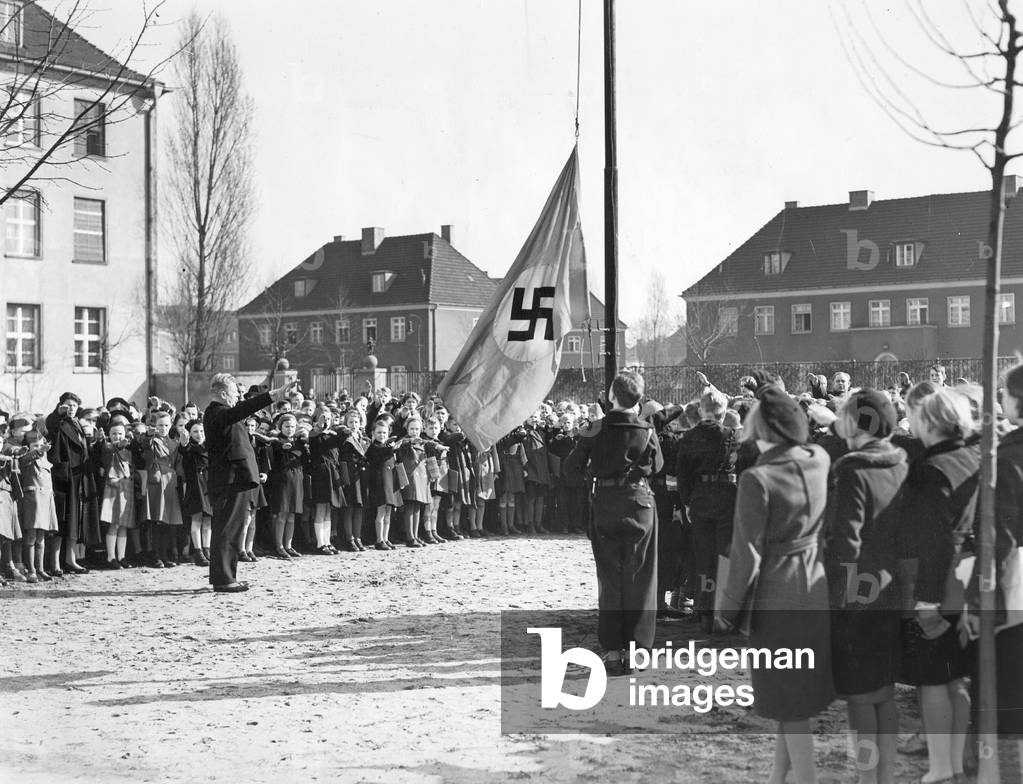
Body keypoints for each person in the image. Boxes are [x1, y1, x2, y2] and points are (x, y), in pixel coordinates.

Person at [716, 385, 834, 784]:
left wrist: (727, 608)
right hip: (814, 584)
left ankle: (803, 778)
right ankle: (778, 776)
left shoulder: (757, 478)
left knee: (788, 701)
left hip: (777, 591)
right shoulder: (819, 458)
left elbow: (745, 553)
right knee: (792, 697)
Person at [896, 385, 979, 784]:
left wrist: (926, 600)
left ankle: (943, 765)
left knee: (933, 678)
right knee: (959, 676)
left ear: (930, 422)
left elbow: (936, 540)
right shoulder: (976, 456)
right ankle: (960, 757)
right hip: (970, 575)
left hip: (942, 580)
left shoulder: (932, 470)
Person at [824, 390, 908, 784]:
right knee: (885, 692)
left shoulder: (852, 469)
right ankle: (885, 776)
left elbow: (847, 540)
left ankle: (865, 775)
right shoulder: (901, 461)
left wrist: (838, 595)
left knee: (859, 695)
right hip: (891, 587)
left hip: (858, 592)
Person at [564, 370, 663, 675]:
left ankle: (611, 652)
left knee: (609, 580)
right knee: (641, 580)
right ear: (639, 398)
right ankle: (638, 651)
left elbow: (570, 468)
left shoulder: (594, 428)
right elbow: (657, 466)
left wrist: (596, 474)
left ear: (611, 396)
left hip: (606, 504)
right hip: (639, 503)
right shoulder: (646, 429)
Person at [204, 372, 297, 593]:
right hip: (230, 479)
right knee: (227, 529)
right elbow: (241, 410)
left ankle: (227, 576)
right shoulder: (217, 413)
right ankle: (224, 579)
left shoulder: (222, 412)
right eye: (236, 392)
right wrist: (271, 396)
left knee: (232, 528)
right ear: (224, 394)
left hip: (235, 479)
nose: (239, 396)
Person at [676, 386, 739, 633]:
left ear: (702, 411)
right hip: (725, 496)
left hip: (700, 498)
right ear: (723, 413)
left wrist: (687, 502)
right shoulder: (730, 436)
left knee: (703, 556)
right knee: (724, 555)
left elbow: (683, 475)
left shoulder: (688, 437)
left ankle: (703, 609)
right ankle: (722, 612)